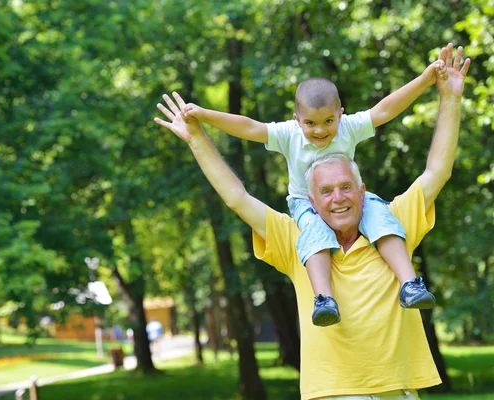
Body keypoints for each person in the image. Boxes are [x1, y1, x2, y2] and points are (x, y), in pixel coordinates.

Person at [154, 43, 469, 400]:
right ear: (311, 200)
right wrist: (198, 137)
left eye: (346, 187)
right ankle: (325, 300)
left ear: (362, 191)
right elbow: (237, 197)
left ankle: (410, 284)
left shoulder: (391, 226)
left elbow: (437, 170)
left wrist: (449, 97)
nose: (338, 198)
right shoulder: (297, 239)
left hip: (398, 390)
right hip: (334, 393)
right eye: (327, 191)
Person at [181, 54, 446, 327]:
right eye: (310, 124)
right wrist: (204, 116)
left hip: (351, 197)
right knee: (315, 234)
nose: (320, 130)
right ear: (297, 120)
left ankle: (409, 284)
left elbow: (385, 110)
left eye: (328, 122)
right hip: (304, 203)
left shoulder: (349, 127)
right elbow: (249, 126)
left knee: (382, 220)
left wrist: (425, 80)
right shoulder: (288, 134)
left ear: (340, 115)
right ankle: (324, 299)